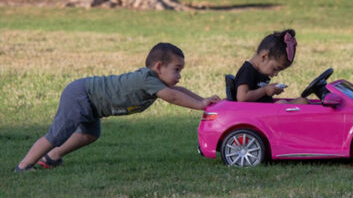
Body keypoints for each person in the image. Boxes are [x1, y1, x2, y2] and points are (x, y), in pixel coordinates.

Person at [15, 42, 220, 172]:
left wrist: (203, 100)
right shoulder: (147, 79)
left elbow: (179, 90)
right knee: (59, 133)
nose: (179, 75)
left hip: (92, 103)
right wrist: (199, 105)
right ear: (159, 67)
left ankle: (51, 157)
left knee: (89, 135)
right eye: (177, 70)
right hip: (82, 94)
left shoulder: (157, 82)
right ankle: (24, 165)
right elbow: (173, 97)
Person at [234, 29, 308, 104]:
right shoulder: (247, 70)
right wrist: (265, 90)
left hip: (264, 109)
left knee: (303, 100)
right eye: (275, 69)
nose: (276, 74)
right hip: (253, 113)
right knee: (283, 104)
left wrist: (272, 90)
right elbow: (242, 97)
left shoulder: (261, 71)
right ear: (264, 56)